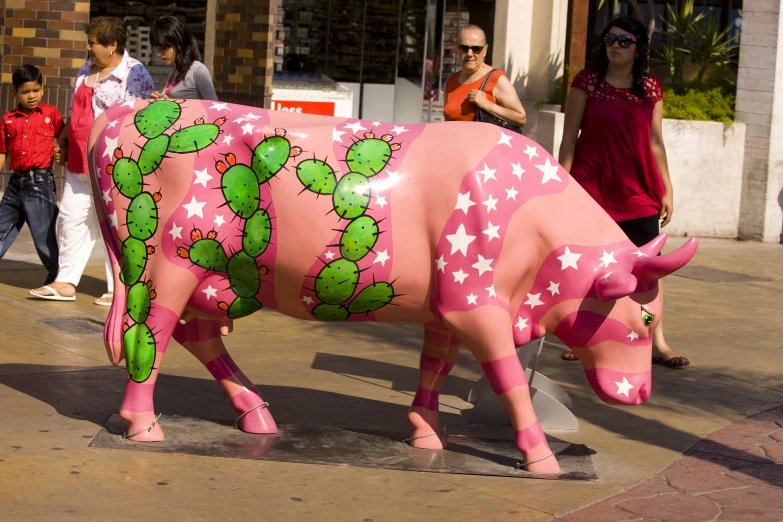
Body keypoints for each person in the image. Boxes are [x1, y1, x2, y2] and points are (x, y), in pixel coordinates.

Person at [558, 15, 688, 369]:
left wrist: (667, 187)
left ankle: (656, 340)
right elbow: (570, 137)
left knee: (647, 269)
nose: (615, 45)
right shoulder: (586, 83)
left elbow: (656, 143)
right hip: (592, 187)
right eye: (610, 39)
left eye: (624, 40)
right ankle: (581, 335)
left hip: (639, 191)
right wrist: (561, 186)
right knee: (590, 268)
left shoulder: (650, 88)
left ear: (638, 48)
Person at [30, 16, 154, 305]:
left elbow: (141, 121)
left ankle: (119, 288)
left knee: (115, 225)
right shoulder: (86, 69)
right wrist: (62, 140)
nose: (88, 47)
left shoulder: (134, 73)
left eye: (93, 43)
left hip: (114, 165)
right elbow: (77, 112)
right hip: (80, 163)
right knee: (71, 219)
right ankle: (64, 282)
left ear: (112, 45)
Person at [0, 65, 63, 287]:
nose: (32, 96)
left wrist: (60, 152)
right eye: (26, 92)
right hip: (15, 184)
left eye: (36, 90)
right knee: (1, 227)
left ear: (43, 88)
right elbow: (2, 151)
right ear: (15, 93)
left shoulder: (50, 114)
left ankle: (58, 278)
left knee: (44, 237)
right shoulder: (8, 119)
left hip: (40, 183)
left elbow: (63, 137)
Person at [443, 25, 526, 127]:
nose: (469, 53)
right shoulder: (450, 82)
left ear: (485, 50)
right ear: (456, 49)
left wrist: (487, 105)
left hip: (484, 142)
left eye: (476, 49)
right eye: (464, 48)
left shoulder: (496, 79)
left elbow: (521, 118)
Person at [149, 16, 218, 101]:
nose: (158, 54)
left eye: (163, 48)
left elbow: (213, 105)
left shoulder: (198, 70)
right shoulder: (173, 72)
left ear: (179, 44)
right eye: (157, 48)